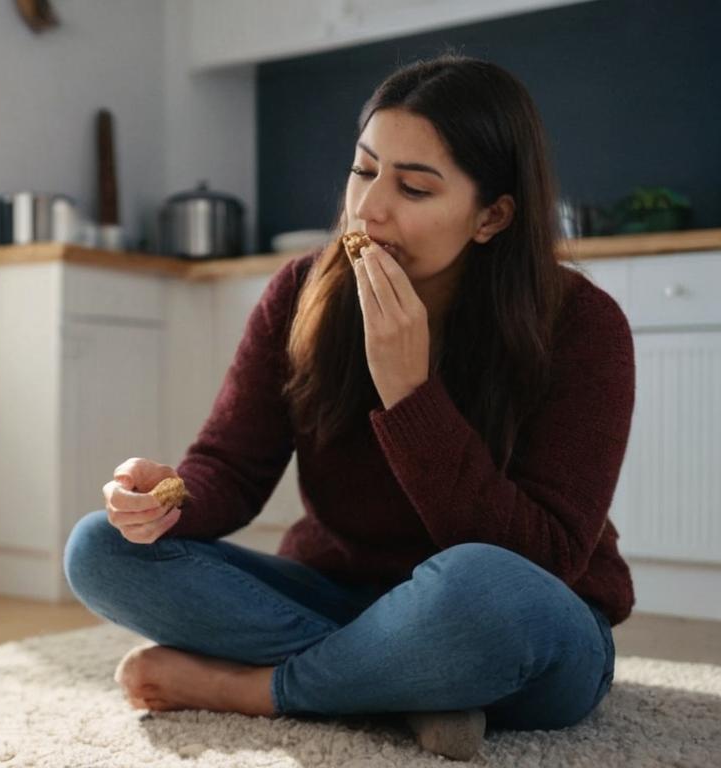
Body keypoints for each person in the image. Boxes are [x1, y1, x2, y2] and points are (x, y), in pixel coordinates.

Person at [63, 54, 633, 762]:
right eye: (364, 170)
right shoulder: (301, 291)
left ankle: (264, 689)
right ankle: (412, 685)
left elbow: (541, 559)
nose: (368, 209)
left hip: (528, 624)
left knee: (481, 593)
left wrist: (409, 396)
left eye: (415, 188)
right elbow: (230, 467)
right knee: (100, 549)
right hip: (338, 594)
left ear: (491, 216)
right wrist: (166, 499)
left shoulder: (584, 326)